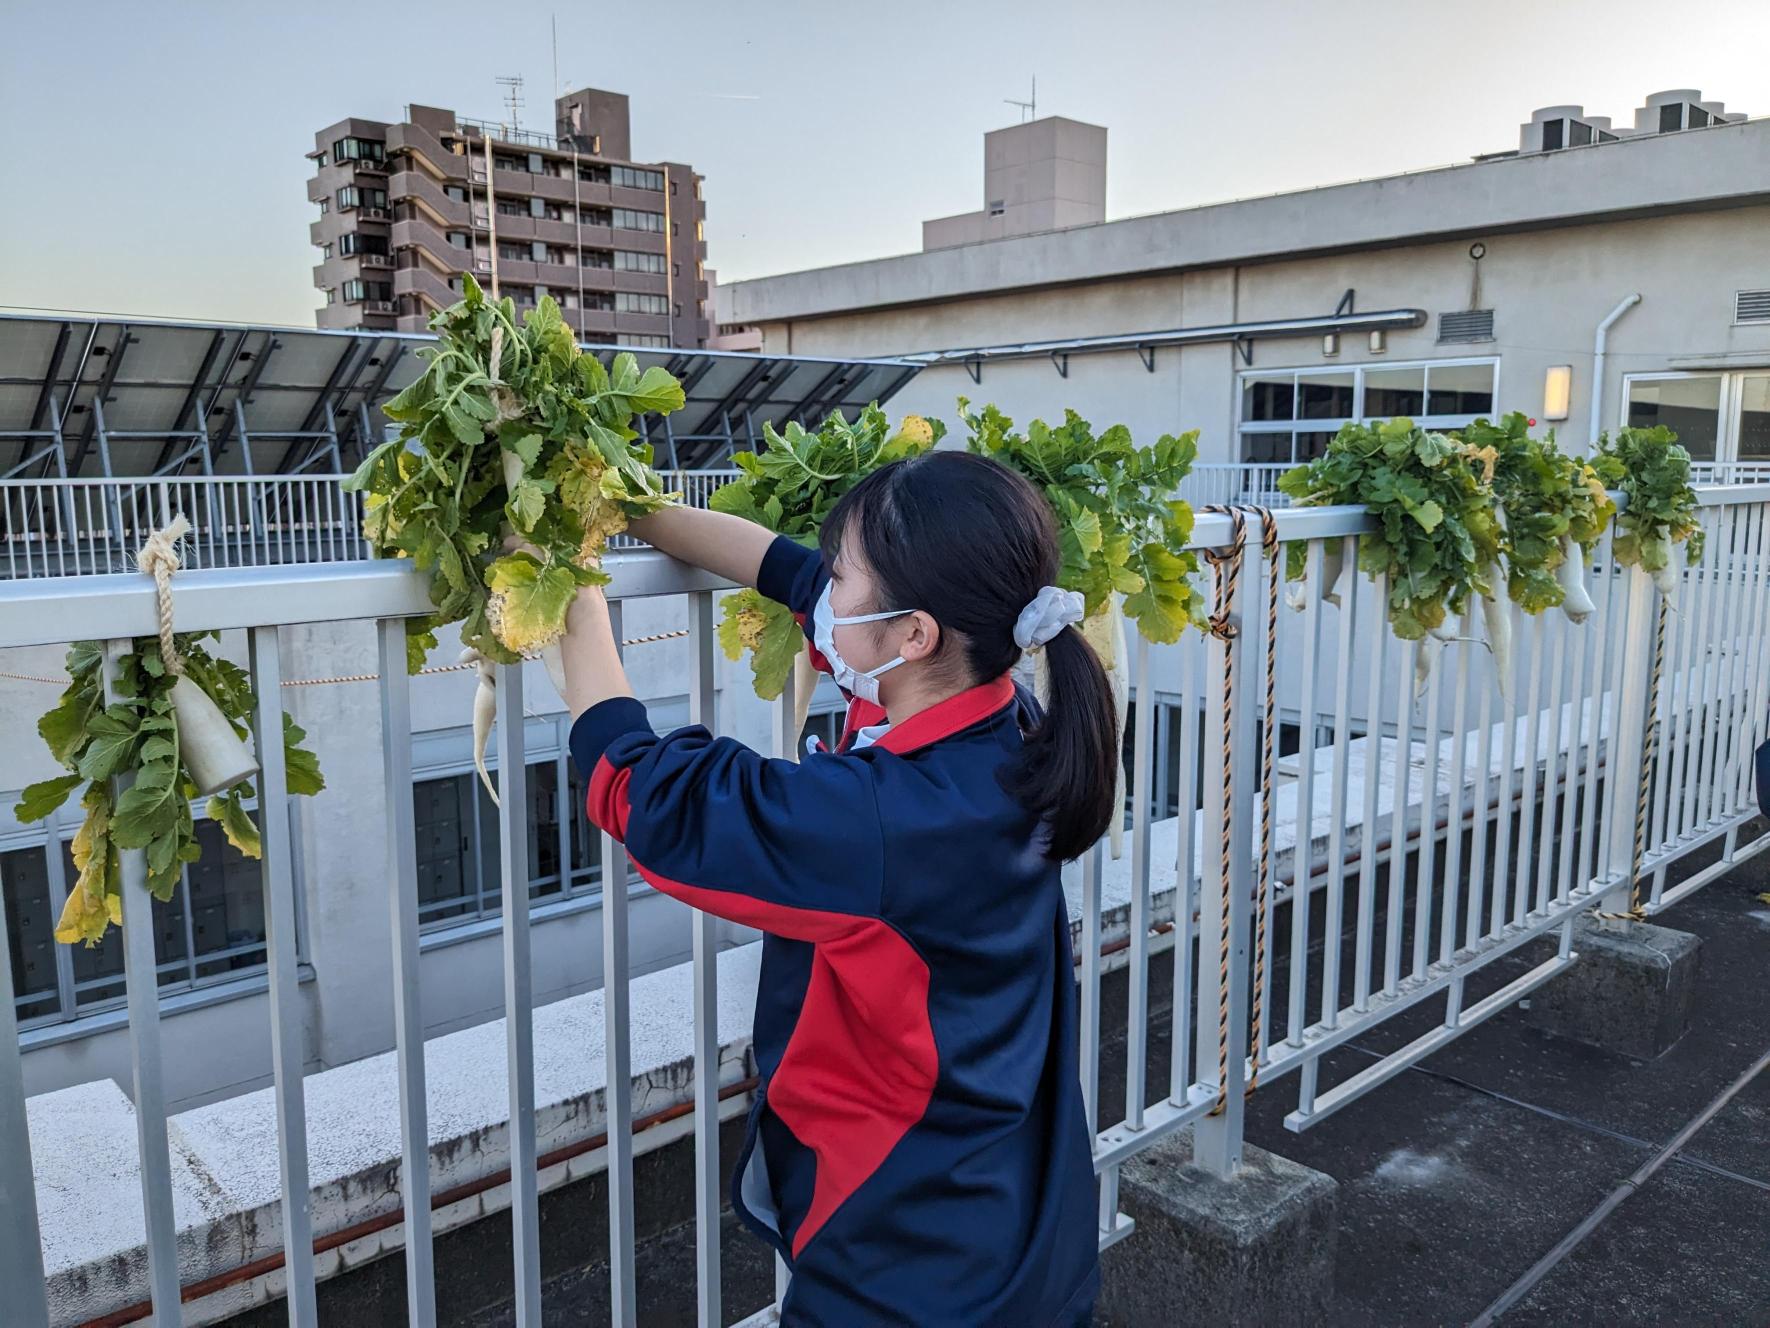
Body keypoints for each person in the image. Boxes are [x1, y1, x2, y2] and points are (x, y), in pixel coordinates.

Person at [559, 448, 1112, 1326]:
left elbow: (642, 790)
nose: (827, 584)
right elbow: (786, 571)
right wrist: (631, 510)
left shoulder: (884, 819)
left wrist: (567, 589)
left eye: (847, 573)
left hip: (909, 1265)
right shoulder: (1002, 716)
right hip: (1019, 1225)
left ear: (914, 632)